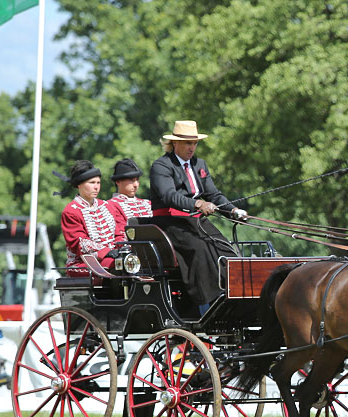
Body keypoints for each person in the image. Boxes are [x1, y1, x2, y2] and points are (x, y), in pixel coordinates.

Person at [149, 120, 248, 315]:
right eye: (187, 143)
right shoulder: (161, 166)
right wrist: (197, 204)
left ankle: (231, 298)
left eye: (194, 143)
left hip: (195, 220)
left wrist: (233, 210)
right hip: (169, 222)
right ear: (174, 143)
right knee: (200, 249)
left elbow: (213, 194)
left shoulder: (199, 164)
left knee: (224, 248)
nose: (192, 147)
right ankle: (207, 306)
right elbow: (169, 195)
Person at [60, 160, 127, 276]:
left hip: (113, 256)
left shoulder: (108, 206)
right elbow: (80, 243)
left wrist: (123, 249)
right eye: (92, 183)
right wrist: (107, 252)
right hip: (82, 262)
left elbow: (119, 234)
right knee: (114, 264)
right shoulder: (71, 211)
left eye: (98, 183)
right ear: (79, 184)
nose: (96, 187)